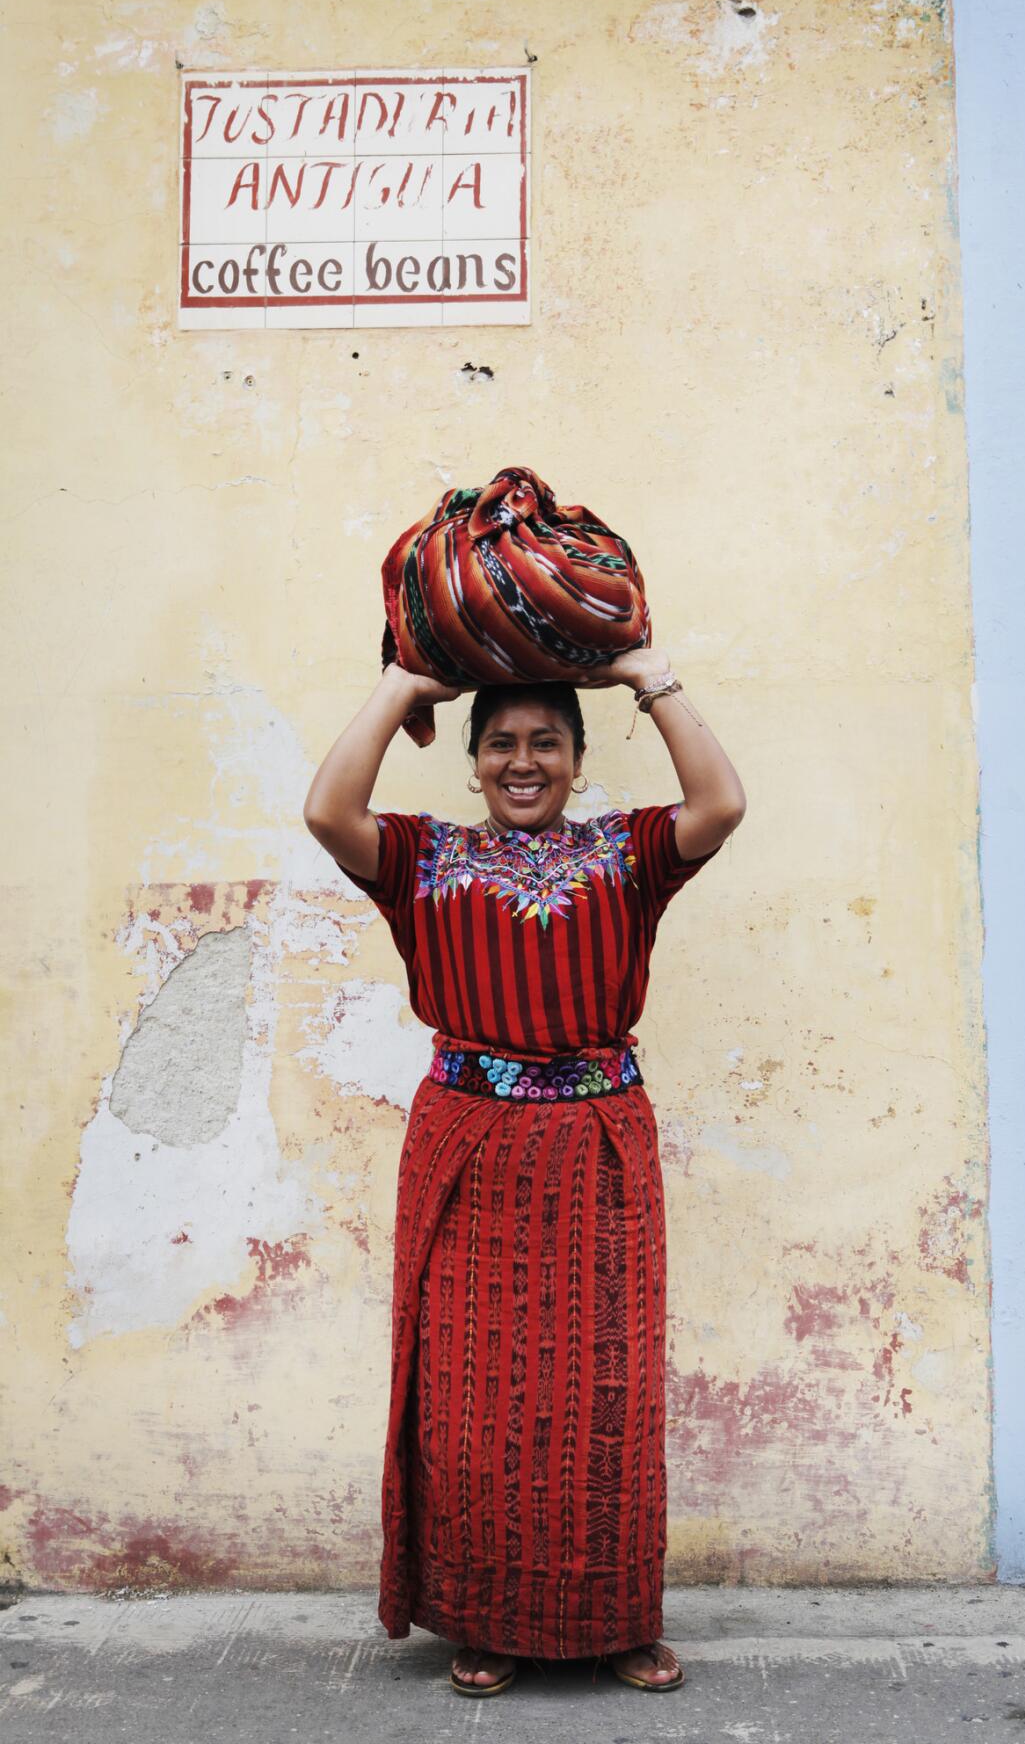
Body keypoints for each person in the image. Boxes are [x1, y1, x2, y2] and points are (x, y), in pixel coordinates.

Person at [303, 644, 746, 1697]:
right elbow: (328, 812)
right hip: (469, 1149)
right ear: (472, 762)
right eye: (500, 743)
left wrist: (649, 672)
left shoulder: (627, 853)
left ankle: (618, 1622)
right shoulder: (423, 858)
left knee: (607, 1394)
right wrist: (404, 686)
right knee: (472, 1402)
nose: (523, 761)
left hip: (597, 1150)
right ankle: (485, 1619)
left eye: (547, 741)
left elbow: (721, 803)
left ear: (578, 757)